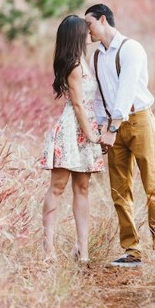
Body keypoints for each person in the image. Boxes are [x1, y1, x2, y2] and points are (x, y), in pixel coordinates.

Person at [84, 3, 155, 268]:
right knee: (119, 189)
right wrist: (101, 127)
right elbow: (98, 96)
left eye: (89, 24)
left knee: (153, 185)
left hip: (139, 121)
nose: (87, 31)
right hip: (112, 127)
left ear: (102, 19)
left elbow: (127, 90)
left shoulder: (131, 48)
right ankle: (133, 250)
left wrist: (112, 128)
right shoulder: (96, 56)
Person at [40, 15, 105, 264]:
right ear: (76, 35)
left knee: (83, 188)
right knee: (57, 187)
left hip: (85, 127)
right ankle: (48, 250)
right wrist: (90, 134)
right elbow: (77, 103)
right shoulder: (74, 65)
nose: (89, 32)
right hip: (72, 129)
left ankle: (83, 250)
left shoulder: (83, 61)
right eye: (84, 29)